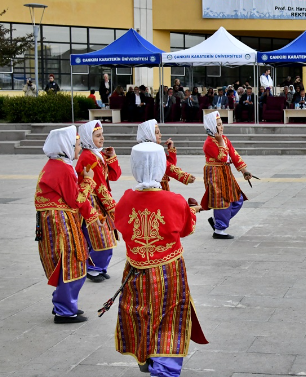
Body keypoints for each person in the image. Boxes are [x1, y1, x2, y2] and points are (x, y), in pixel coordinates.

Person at [114, 142, 208, 376]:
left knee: (139, 312)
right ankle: (164, 367)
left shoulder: (125, 200)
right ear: (160, 167)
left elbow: (122, 228)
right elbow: (186, 229)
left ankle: (145, 354)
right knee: (170, 317)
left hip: (135, 270)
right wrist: (192, 211)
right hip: (168, 271)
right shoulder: (174, 200)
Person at [35, 125, 100, 323]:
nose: (79, 149)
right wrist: (88, 181)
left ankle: (64, 304)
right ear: (66, 145)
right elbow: (76, 200)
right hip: (60, 221)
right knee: (71, 262)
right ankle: (64, 309)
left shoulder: (55, 164)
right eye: (77, 144)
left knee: (67, 262)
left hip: (55, 220)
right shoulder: (62, 168)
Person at [75, 121, 120, 283]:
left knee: (102, 238)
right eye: (98, 136)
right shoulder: (88, 157)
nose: (102, 139)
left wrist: (111, 157)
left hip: (99, 201)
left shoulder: (97, 154)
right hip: (92, 203)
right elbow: (100, 187)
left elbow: (114, 177)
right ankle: (93, 269)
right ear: (88, 137)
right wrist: (113, 209)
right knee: (100, 238)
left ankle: (99, 267)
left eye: (102, 135)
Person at [201, 111, 253, 239]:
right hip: (215, 173)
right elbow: (223, 157)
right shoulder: (209, 143)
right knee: (222, 202)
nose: (221, 127)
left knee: (237, 199)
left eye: (221, 124)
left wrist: (244, 171)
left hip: (226, 172)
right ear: (212, 126)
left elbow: (234, 155)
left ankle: (218, 223)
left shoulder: (223, 139)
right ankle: (219, 230)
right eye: (218, 125)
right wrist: (221, 142)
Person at [136, 119, 196, 192]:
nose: (160, 135)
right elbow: (167, 167)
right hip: (156, 187)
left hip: (160, 185)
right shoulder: (151, 151)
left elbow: (171, 164)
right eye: (157, 133)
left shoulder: (154, 149)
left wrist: (171, 150)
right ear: (150, 135)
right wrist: (184, 177)